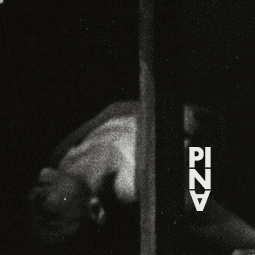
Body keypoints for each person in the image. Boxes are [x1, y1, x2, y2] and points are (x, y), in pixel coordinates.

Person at [30, 101, 255, 250]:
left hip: (175, 99)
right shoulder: (130, 187)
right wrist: (195, 135)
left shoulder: (62, 156)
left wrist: (157, 104)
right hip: (222, 136)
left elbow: (110, 112)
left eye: (33, 194)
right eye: (44, 205)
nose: (37, 191)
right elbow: (201, 206)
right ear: (94, 210)